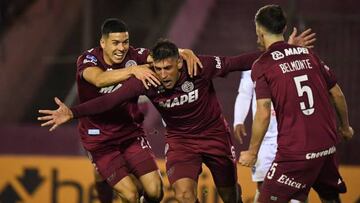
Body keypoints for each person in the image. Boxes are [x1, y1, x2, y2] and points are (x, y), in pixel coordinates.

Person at [39, 32, 314, 203]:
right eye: (157, 68)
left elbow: (238, 61)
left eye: (168, 68)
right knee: (183, 195)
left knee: (229, 195)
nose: (163, 74)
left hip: (215, 136)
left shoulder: (199, 66)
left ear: (179, 63)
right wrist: (72, 112)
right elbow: (108, 100)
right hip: (181, 142)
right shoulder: (147, 80)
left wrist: (282, 50)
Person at [44, 18, 201, 203]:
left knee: (156, 192)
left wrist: (185, 52)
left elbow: (164, 56)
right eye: (115, 43)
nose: (121, 48)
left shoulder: (134, 55)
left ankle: (103, 178)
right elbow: (99, 79)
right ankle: (102, 183)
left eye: (125, 42)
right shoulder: (88, 59)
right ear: (103, 43)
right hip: (99, 140)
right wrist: (133, 71)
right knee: (131, 195)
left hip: (130, 134)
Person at [238, 5, 354, 203]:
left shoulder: (263, 64)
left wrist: (252, 152)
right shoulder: (309, 55)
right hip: (326, 146)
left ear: (259, 30)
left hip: (295, 152)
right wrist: (344, 127)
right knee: (330, 197)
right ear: (283, 28)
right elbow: (337, 94)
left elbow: (264, 111)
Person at [234, 70, 305, 203]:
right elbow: (244, 93)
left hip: (290, 133)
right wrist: (238, 119)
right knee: (264, 185)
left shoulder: (292, 63)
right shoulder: (254, 65)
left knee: (296, 186)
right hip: (264, 138)